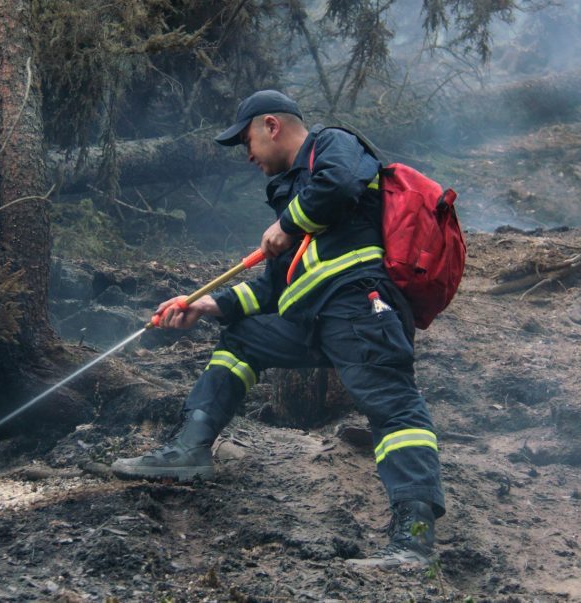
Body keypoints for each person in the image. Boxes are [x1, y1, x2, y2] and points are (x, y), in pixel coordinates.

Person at [110, 90, 444, 568]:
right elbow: (271, 290)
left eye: (246, 140)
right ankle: (188, 449)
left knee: (391, 407)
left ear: (272, 126)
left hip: (359, 307)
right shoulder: (296, 194)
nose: (247, 155)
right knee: (244, 336)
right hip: (311, 319)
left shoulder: (332, 145)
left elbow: (343, 183)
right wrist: (207, 305)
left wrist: (289, 222)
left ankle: (412, 541)